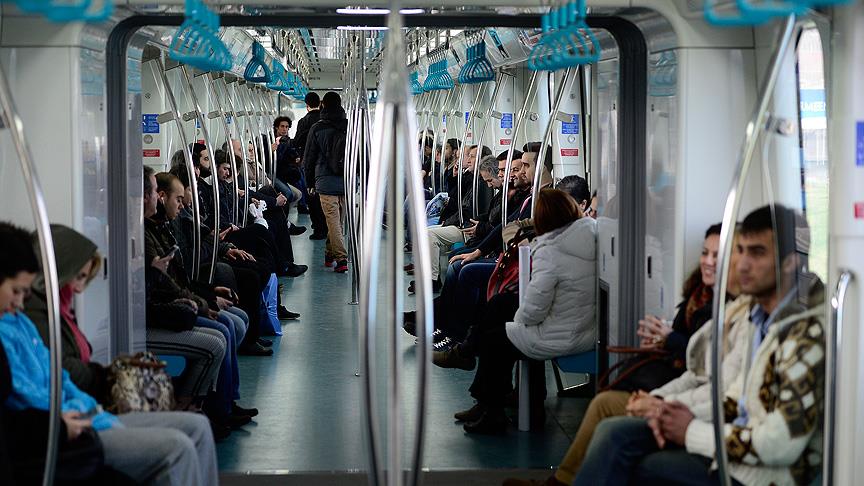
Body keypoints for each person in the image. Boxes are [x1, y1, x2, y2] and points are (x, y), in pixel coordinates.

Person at [575, 205, 823, 486]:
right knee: (616, 434)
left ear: (790, 262)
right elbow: (735, 397)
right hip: (728, 441)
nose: (742, 264)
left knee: (641, 464)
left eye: (757, 253)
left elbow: (779, 444)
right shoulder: (757, 317)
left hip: (765, 474)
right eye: (740, 251)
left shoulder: (806, 333)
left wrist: (689, 429)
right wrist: (664, 409)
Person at [505, 227, 747, 486]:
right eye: (705, 253)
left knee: (606, 410)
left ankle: (562, 481)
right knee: (605, 406)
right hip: (673, 383)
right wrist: (662, 348)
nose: (709, 261)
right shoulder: (700, 295)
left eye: (717, 255)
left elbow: (706, 370)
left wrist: (661, 394)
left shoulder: (731, 314)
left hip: (684, 395)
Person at [0, 222, 219, 485]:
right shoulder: (32, 319)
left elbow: (58, 377)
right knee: (178, 447)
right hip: (65, 425)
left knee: (198, 427)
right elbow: (37, 388)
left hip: (82, 410)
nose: (79, 289)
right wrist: (104, 380)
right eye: (16, 291)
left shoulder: (33, 320)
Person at [453, 189, 597, 435]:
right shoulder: (585, 237)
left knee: (495, 339)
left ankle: (491, 410)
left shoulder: (552, 252)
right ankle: (477, 377)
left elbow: (532, 313)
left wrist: (516, 323)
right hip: (580, 325)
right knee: (500, 305)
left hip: (565, 333)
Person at [303, 91, 349, 273]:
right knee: (337, 222)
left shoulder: (317, 128)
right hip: (346, 180)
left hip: (324, 180)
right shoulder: (349, 126)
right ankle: (330, 253)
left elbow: (309, 158)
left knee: (333, 221)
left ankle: (341, 258)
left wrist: (309, 183)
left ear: (323, 106)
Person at [293, 92, 327, 240]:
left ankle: (318, 228)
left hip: (309, 163)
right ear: (319, 104)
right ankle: (327, 226)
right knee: (325, 196)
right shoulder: (325, 120)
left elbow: (297, 142)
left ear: (307, 105)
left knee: (312, 195)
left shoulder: (303, 122)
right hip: (324, 164)